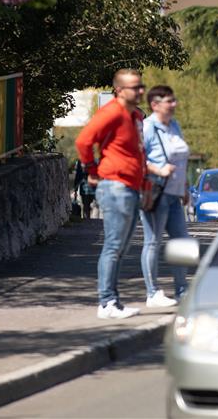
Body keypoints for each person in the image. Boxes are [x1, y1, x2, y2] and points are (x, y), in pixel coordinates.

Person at [75, 69, 147, 319]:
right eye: (134, 88)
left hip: (131, 186)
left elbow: (138, 152)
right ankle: (106, 302)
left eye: (141, 86)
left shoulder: (136, 115)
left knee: (122, 247)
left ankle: (112, 300)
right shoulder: (112, 113)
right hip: (115, 185)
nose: (140, 91)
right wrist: (91, 169)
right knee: (114, 245)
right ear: (119, 90)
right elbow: (84, 141)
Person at [139, 85, 191, 308]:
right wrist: (159, 170)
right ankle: (153, 293)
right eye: (169, 101)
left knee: (182, 242)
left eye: (174, 100)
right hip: (156, 191)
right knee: (153, 242)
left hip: (174, 193)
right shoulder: (148, 127)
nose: (174, 104)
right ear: (155, 105)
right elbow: (138, 159)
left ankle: (182, 290)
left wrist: (185, 186)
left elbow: (180, 158)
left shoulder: (174, 126)